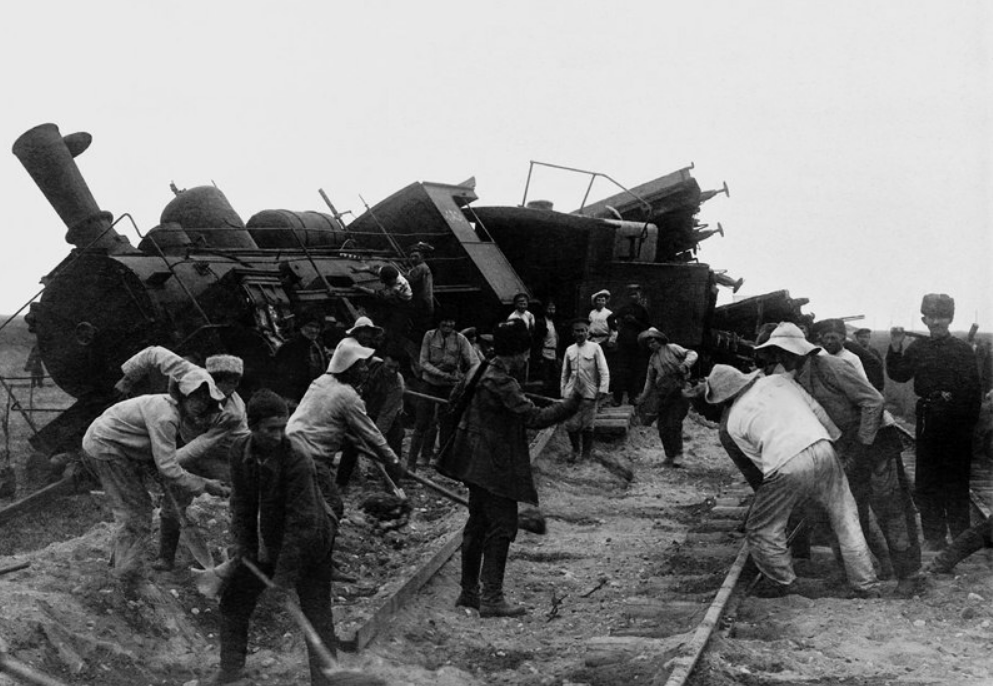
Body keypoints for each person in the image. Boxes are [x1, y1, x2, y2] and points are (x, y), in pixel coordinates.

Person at [756, 322, 923, 595]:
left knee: (890, 507)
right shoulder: (792, 377)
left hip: (877, 440)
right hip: (846, 446)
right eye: (777, 353)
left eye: (784, 352)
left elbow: (873, 402)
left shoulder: (832, 367)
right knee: (850, 510)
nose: (780, 358)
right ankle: (854, 571)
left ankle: (909, 575)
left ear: (799, 351)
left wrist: (862, 444)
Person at [436, 320, 579, 617]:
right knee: (502, 526)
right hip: (494, 465)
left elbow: (452, 404)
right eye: (524, 353)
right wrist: (571, 404)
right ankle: (492, 598)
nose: (527, 359)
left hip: (471, 461)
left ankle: (469, 592)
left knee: (476, 525)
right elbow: (534, 417)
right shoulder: (502, 381)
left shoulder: (478, 369)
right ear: (514, 353)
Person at [703, 364, 880, 598]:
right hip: (823, 448)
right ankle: (865, 584)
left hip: (786, 463)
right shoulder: (779, 381)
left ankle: (782, 581)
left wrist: (787, 495)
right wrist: (834, 440)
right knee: (846, 519)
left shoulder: (734, 421)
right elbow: (817, 410)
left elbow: (763, 465)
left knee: (761, 528)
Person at [214, 389, 337, 686]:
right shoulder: (239, 452)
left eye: (283, 427)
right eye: (271, 429)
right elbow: (241, 505)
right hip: (269, 540)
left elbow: (302, 524)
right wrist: (243, 549)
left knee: (316, 615)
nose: (280, 435)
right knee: (233, 600)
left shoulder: (297, 459)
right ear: (253, 427)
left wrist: (282, 580)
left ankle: (326, 681)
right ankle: (230, 670)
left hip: (311, 543)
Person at [80, 369, 230, 583]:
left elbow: (159, 456)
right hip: (106, 446)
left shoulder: (172, 411)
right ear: (182, 394)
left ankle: (119, 566)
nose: (200, 403)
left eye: (205, 399)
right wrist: (206, 485)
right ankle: (123, 575)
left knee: (136, 509)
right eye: (195, 396)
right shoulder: (166, 416)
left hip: (121, 445)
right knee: (136, 512)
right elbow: (168, 467)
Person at [115, 347, 250, 571]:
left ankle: (241, 556)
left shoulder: (233, 413)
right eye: (224, 383)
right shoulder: (188, 374)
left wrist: (166, 463)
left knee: (239, 498)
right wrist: (129, 377)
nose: (228, 390)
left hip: (226, 456)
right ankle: (166, 557)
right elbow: (154, 353)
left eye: (235, 384)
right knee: (173, 500)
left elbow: (202, 445)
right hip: (192, 448)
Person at [887, 293, 982, 550]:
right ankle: (934, 537)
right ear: (924, 319)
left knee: (956, 479)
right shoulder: (917, 348)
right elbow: (898, 374)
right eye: (932, 317)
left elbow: (974, 392)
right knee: (928, 480)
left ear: (950, 319)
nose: (937, 322)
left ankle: (961, 538)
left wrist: (965, 425)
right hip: (928, 420)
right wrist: (896, 346)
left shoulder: (962, 351)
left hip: (956, 423)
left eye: (942, 317)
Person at [285, 338, 401, 518]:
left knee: (301, 500)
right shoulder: (348, 396)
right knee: (334, 506)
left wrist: (346, 435)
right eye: (360, 366)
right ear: (349, 368)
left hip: (288, 446)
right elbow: (372, 434)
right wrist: (393, 461)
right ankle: (319, 543)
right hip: (310, 457)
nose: (365, 370)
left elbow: (321, 417)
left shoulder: (321, 381)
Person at [407, 312, 478, 471]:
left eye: (451, 322)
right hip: (429, 384)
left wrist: (464, 380)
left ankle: (442, 463)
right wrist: (440, 373)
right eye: (444, 322)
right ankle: (412, 463)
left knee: (447, 423)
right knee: (422, 423)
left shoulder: (460, 339)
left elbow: (474, 363)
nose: (448, 325)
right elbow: (423, 362)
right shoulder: (430, 336)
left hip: (449, 387)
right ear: (439, 323)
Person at [335, 349, 406, 491]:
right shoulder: (371, 366)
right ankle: (341, 482)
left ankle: (392, 484)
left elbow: (386, 415)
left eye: (395, 368)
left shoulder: (397, 384)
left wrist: (375, 438)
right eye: (389, 366)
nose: (391, 371)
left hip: (387, 413)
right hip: (364, 408)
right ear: (384, 361)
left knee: (394, 443)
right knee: (352, 443)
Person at [634, 327, 697, 467]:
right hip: (663, 393)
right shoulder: (653, 359)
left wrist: (685, 364)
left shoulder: (672, 348)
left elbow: (692, 353)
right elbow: (649, 380)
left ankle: (679, 455)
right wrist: (643, 397)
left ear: (660, 340)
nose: (652, 344)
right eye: (649, 343)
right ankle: (669, 456)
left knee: (674, 423)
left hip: (679, 390)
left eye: (653, 340)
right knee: (662, 425)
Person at [560, 318, 610, 462]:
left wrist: (603, 388)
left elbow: (603, 369)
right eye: (577, 331)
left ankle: (586, 454)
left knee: (588, 425)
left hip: (590, 392)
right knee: (571, 424)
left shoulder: (595, 348)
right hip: (572, 393)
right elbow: (565, 373)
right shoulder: (570, 350)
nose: (580, 333)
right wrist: (563, 392)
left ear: (588, 332)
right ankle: (575, 450)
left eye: (583, 330)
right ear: (573, 333)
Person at [272, 310, 329, 403]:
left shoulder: (318, 347)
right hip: (295, 399)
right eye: (310, 326)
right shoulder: (289, 347)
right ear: (302, 326)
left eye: (317, 327)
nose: (314, 330)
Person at [608, 284, 651, 405]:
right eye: (631, 294)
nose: (633, 296)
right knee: (620, 371)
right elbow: (610, 318)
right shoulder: (624, 308)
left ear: (639, 296)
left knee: (636, 371)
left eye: (636, 294)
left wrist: (634, 321)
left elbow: (647, 327)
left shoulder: (643, 310)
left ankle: (633, 397)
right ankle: (617, 399)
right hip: (623, 344)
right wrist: (615, 328)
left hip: (637, 345)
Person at [406, 242, 435, 337]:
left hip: (422, 302)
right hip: (425, 301)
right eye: (411, 257)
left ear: (422, 256)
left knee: (419, 324)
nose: (413, 259)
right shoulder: (423, 267)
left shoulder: (420, 268)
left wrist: (400, 273)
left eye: (416, 256)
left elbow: (410, 280)